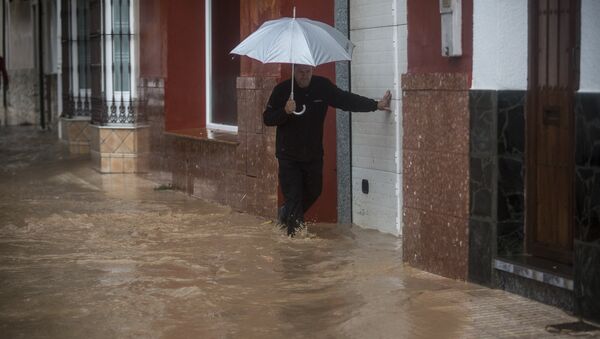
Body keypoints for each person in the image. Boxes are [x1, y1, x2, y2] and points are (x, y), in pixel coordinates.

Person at [263, 64, 392, 236]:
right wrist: (285, 111)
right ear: (295, 71)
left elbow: (346, 100)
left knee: (315, 191)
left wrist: (376, 105)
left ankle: (286, 212)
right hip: (289, 156)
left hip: (313, 153)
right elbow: (267, 118)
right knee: (294, 198)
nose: (304, 76)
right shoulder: (282, 90)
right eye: (301, 72)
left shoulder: (322, 86)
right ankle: (295, 248)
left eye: (307, 72)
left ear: (312, 70)